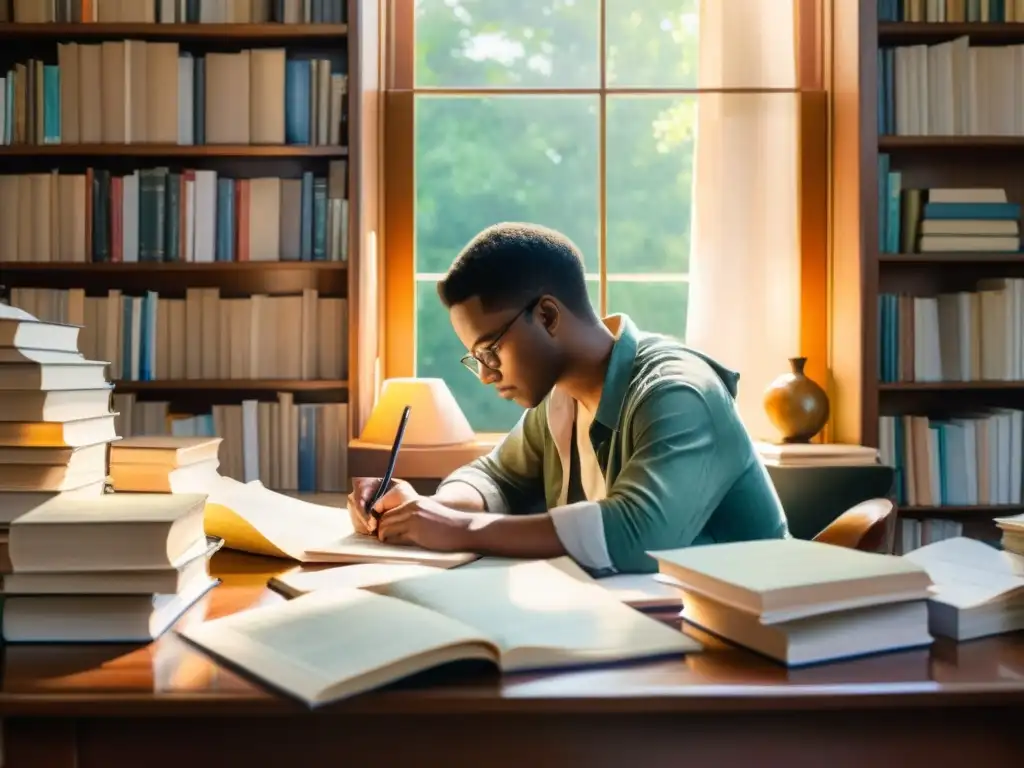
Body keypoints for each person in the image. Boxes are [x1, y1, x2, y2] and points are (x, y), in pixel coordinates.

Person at [348, 222, 789, 574]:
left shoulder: (678, 392)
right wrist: (422, 509)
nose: (485, 375)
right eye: (476, 359)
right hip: (649, 628)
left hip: (760, 648)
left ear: (547, 315)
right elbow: (496, 477)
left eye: (490, 351)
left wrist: (460, 528)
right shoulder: (561, 398)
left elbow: (636, 536)